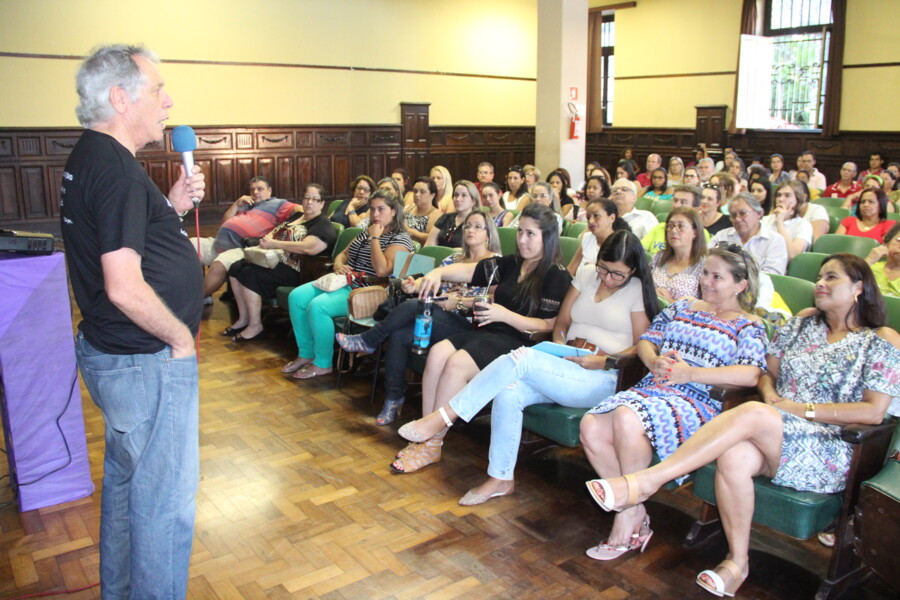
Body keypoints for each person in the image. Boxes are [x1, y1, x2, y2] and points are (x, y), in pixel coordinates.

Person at [585, 254, 900, 597]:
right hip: (778, 428)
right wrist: (773, 398)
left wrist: (798, 409)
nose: (820, 283)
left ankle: (645, 482)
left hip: (830, 444)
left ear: (859, 288)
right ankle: (737, 562)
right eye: (820, 276)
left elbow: (873, 412)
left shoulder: (881, 338)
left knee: (752, 413)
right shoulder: (803, 325)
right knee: (734, 456)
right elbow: (765, 375)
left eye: (832, 278)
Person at [61, 44, 206, 599]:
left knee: (125, 489)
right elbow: (124, 286)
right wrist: (180, 341)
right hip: (145, 361)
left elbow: (121, 241)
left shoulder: (91, 156)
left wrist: (166, 205)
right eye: (158, 91)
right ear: (121, 98)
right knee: (165, 508)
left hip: (115, 357)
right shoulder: (118, 171)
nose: (168, 101)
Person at [397, 231, 659, 504]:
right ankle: (500, 478)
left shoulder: (635, 290)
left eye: (618, 274)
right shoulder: (587, 274)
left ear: (632, 270)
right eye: (604, 268)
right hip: (567, 361)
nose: (607, 278)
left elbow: (642, 345)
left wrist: (604, 360)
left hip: (602, 373)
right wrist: (560, 348)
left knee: (524, 358)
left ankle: (444, 417)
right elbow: (560, 324)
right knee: (509, 391)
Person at [580, 245, 767, 563]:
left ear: (741, 284)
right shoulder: (683, 306)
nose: (706, 281)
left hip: (699, 401)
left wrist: (690, 373)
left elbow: (750, 374)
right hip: (653, 388)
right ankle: (634, 507)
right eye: (705, 273)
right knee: (591, 426)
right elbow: (647, 339)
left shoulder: (749, 325)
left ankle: (625, 522)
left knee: (626, 418)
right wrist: (653, 362)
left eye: (717, 276)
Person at [390, 204, 572, 474]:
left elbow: (548, 325)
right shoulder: (512, 263)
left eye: (530, 234)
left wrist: (505, 314)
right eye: (520, 231)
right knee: (439, 352)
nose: (522, 239)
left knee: (456, 364)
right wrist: (438, 272)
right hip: (492, 332)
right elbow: (471, 271)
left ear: (548, 236)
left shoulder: (556, 274)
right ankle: (426, 435)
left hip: (521, 343)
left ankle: (433, 443)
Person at [335, 210, 502, 424]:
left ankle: (369, 340)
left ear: (489, 234)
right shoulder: (453, 258)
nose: (471, 230)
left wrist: (459, 302)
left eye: (478, 226)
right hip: (438, 313)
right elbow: (431, 284)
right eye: (468, 226)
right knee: (400, 334)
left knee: (414, 305)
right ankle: (393, 398)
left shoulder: (495, 263)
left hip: (468, 323)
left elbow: (493, 299)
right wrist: (414, 285)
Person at [284, 190, 414, 379]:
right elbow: (343, 254)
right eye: (372, 209)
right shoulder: (366, 231)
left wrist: (375, 239)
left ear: (394, 211)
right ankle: (306, 354)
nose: (375, 214)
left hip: (369, 291)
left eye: (381, 209)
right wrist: (339, 265)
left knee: (318, 307)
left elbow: (382, 270)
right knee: (296, 297)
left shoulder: (400, 239)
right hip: (345, 280)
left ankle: (322, 363)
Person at [223, 184, 337, 342]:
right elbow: (276, 233)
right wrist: (264, 242)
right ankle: (244, 318)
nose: (309, 202)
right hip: (275, 260)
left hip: (298, 270)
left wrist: (275, 244)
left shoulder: (322, 225)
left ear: (322, 203)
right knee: (236, 267)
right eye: (307, 197)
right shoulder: (297, 216)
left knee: (250, 274)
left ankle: (256, 326)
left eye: (315, 199)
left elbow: (308, 248)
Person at [191, 176, 300, 299]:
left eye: (260, 189)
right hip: (217, 244)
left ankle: (196, 302)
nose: (255, 192)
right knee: (189, 246)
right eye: (252, 189)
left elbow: (300, 210)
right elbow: (224, 223)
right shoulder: (245, 204)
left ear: (269, 190)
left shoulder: (278, 204)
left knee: (219, 264)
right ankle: (204, 293)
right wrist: (236, 204)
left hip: (240, 248)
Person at [711, 193, 789, 277]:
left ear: (759, 214)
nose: (737, 219)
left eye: (743, 213)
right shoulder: (722, 236)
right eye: (733, 215)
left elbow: (772, 277)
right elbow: (705, 262)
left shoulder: (774, 241)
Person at [651, 207, 708, 302]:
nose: (674, 231)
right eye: (670, 226)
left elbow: (706, 305)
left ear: (695, 232)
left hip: (683, 316)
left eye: (681, 226)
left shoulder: (704, 265)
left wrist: (669, 302)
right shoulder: (659, 257)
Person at [567, 198, 632, 275]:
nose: (591, 221)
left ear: (612, 218)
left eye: (596, 216)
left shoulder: (619, 244)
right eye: (588, 217)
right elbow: (571, 269)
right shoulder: (587, 238)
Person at [641, 184, 710, 257]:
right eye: (675, 200)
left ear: (696, 209)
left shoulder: (699, 233)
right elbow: (641, 249)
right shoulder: (660, 227)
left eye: (683, 202)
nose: (676, 205)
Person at [762, 180, 815, 259]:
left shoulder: (804, 225)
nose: (781, 199)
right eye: (778, 195)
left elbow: (792, 254)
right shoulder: (765, 220)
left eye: (787, 195)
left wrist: (780, 222)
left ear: (797, 200)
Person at [425, 180, 482, 248]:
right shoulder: (445, 217)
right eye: (456, 195)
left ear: (473, 200)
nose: (458, 199)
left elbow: (478, 250)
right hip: (439, 257)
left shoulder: (479, 222)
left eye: (464, 195)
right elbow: (429, 244)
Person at [403, 177, 442, 244]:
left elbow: (432, 238)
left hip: (421, 252)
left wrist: (412, 232)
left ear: (432, 195)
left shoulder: (435, 214)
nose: (417, 195)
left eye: (422, 192)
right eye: (415, 191)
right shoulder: (409, 208)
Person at [865, 223, 900, 297]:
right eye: (899, 240)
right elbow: (848, 287)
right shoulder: (870, 266)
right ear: (887, 242)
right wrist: (869, 260)